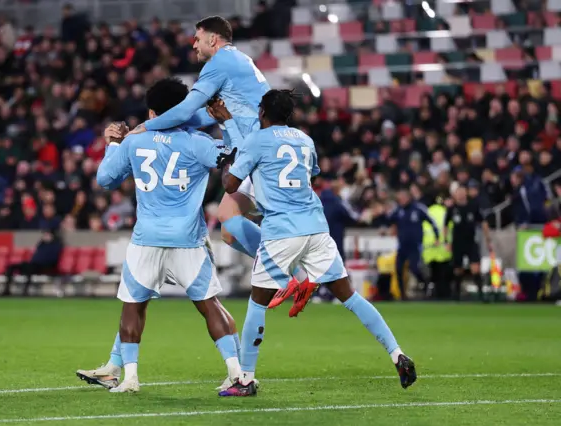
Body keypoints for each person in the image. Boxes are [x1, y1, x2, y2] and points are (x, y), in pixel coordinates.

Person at [208, 90, 417, 397]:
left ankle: (246, 378)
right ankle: (397, 354)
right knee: (350, 297)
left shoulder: (257, 140)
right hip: (316, 228)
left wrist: (229, 159)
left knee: (257, 302)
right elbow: (308, 176)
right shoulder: (305, 140)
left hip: (281, 231)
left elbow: (230, 184)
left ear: (263, 112)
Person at [126, 16, 316, 316]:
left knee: (229, 218)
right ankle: (300, 277)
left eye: (198, 38)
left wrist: (146, 127)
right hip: (261, 148)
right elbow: (204, 117)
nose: (194, 44)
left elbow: (188, 109)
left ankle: (291, 275)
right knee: (230, 230)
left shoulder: (219, 64)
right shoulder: (238, 62)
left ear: (213, 40)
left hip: (256, 151)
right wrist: (164, 126)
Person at [76, 78, 244, 393]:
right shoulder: (198, 142)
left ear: (152, 112)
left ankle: (128, 378)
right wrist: (227, 123)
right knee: (209, 305)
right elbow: (231, 156)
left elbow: (105, 178)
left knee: (133, 306)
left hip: (146, 238)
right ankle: (237, 373)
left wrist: (114, 142)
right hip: (187, 238)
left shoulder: (135, 141)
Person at [388, 188, 440, 300]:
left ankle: (425, 283)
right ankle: (402, 295)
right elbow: (389, 220)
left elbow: (432, 221)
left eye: (403, 197)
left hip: (415, 245)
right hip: (402, 245)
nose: (401, 200)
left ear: (408, 197)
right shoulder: (398, 210)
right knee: (398, 268)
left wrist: (437, 236)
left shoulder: (418, 208)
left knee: (414, 268)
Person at [445, 186, 493, 301]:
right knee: (458, 268)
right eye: (458, 193)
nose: (460, 195)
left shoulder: (473, 207)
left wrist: (488, 239)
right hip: (457, 242)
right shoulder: (452, 209)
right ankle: (456, 295)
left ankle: (481, 295)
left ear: (466, 193)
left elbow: (483, 222)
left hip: (471, 241)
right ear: (455, 195)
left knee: (475, 267)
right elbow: (445, 225)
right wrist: (446, 241)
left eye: (462, 192)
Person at [2, 228, 63, 297]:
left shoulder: (55, 245)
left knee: (29, 268)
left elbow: (53, 259)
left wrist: (41, 261)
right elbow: (36, 256)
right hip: (34, 264)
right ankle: (6, 289)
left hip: (45, 266)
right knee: (11, 267)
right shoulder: (41, 244)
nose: (45, 236)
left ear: (52, 235)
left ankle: (25, 290)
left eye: (47, 234)